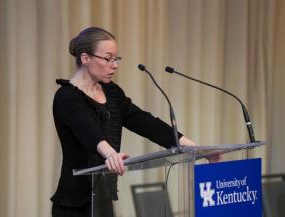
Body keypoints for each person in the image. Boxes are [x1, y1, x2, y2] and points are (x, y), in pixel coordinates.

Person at [51, 26, 219, 217]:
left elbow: (145, 122)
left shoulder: (112, 93)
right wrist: (111, 154)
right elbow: (88, 131)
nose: (115, 65)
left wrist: (195, 148)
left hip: (102, 200)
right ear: (85, 58)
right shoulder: (66, 96)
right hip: (73, 206)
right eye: (108, 58)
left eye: (116, 59)